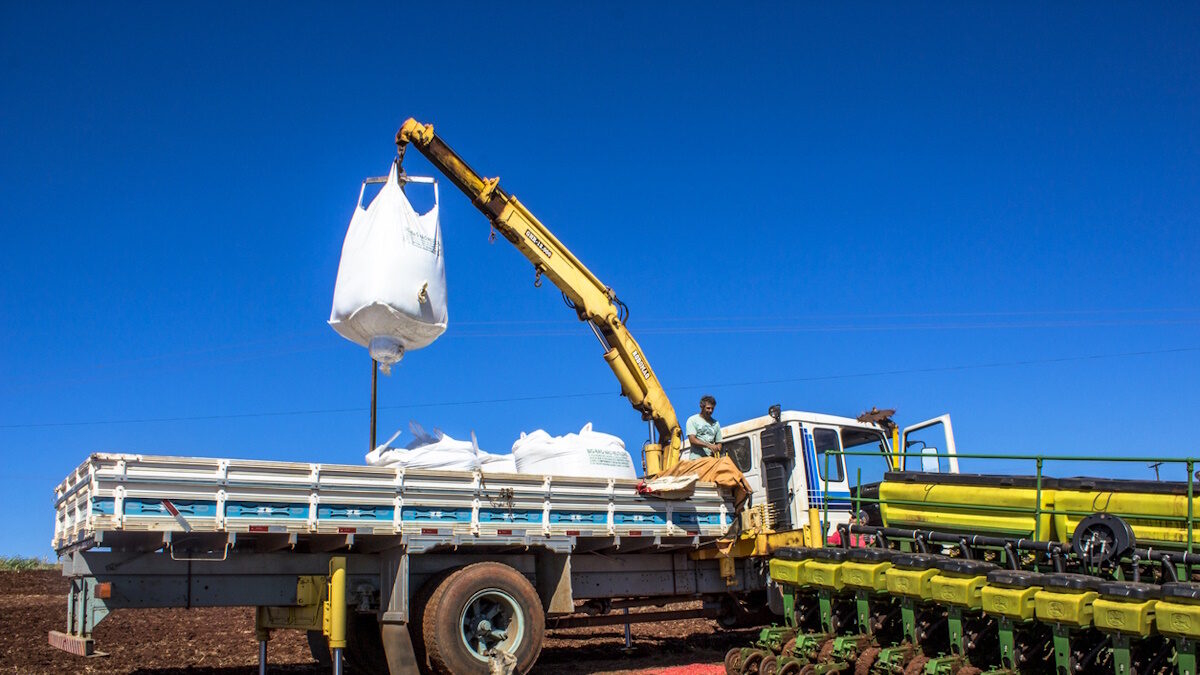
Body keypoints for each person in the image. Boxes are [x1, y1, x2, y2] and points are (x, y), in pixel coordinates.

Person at [683, 395, 722, 462]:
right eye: (708, 408)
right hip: (696, 460)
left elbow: (719, 443)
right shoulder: (692, 420)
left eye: (712, 408)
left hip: (711, 461)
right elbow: (692, 440)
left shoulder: (716, 423)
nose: (710, 411)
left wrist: (717, 448)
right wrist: (709, 446)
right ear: (701, 407)